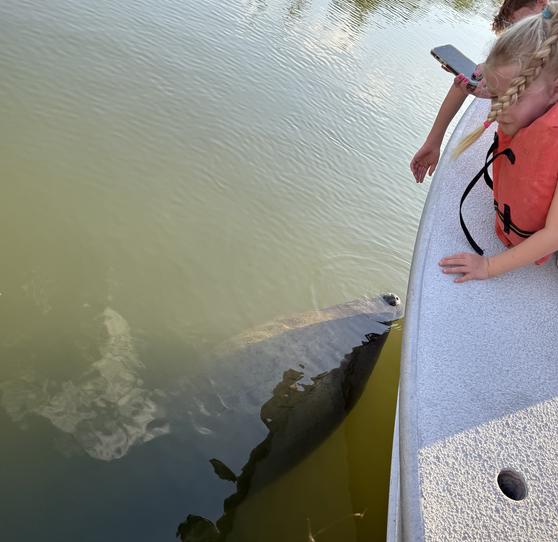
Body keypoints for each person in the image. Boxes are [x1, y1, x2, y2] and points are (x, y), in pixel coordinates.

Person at [439, 2, 558, 283]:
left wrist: (489, 266)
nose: (497, 110)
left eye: (510, 99)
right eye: (495, 97)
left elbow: (553, 235)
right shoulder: (534, 103)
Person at [410, 0, 548, 183]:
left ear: (541, 3)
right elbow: (469, 81)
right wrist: (433, 141)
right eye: (512, 26)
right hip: (496, 152)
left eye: (519, 24)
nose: (518, 32)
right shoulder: (514, 48)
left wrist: (498, 91)